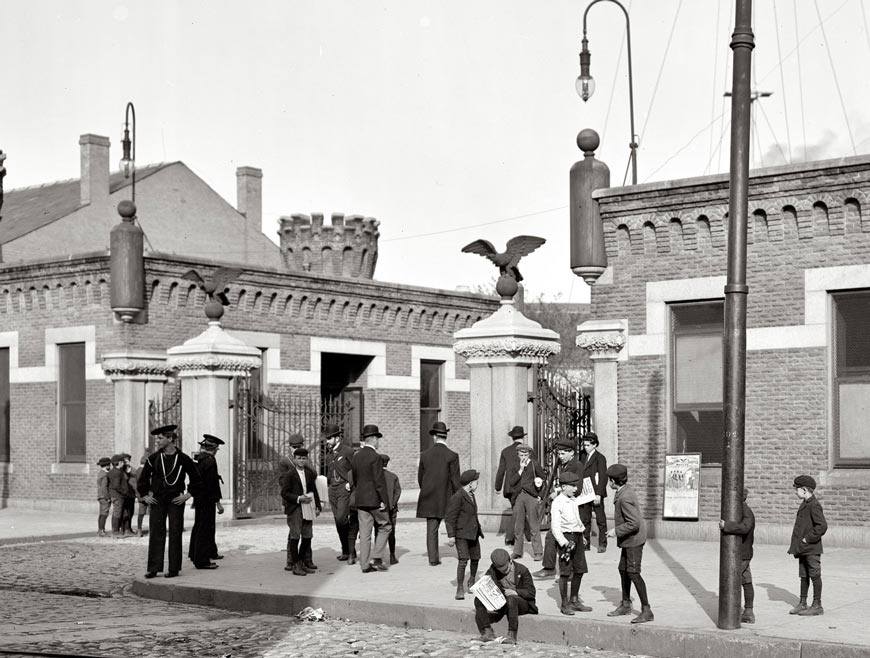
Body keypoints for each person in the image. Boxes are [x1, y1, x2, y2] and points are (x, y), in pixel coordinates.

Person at [137, 424, 202, 579]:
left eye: (160, 438)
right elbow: (142, 481)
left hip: (175, 500)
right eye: (157, 438)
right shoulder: (153, 459)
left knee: (175, 533)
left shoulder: (183, 459)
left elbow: (197, 480)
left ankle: (174, 568)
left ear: (170, 438)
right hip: (158, 500)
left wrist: (187, 495)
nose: (157, 441)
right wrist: (145, 496)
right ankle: (153, 568)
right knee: (156, 533)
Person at [605, 463, 653, 624]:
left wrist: (615, 531)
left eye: (609, 480)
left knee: (633, 572)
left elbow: (634, 523)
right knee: (623, 569)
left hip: (634, 540)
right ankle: (626, 604)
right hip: (629, 540)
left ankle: (647, 610)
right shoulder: (625, 490)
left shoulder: (624, 497)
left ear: (612, 481)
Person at [535, 438, 584, 578]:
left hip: (571, 507)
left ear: (571, 453)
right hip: (563, 505)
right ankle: (550, 567)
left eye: (563, 453)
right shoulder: (566, 464)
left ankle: (571, 571)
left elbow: (577, 489)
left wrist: (557, 492)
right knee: (552, 536)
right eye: (559, 453)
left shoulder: (577, 466)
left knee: (570, 538)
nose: (560, 457)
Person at [416, 421, 461, 566]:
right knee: (455, 525)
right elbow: (455, 480)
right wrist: (458, 496)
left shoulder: (425, 455)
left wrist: (427, 490)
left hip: (429, 498)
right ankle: (462, 554)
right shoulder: (452, 456)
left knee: (431, 530)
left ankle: (433, 559)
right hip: (447, 497)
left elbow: (420, 478)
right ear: (445, 436)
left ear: (434, 437)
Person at [473, 548, 538, 646]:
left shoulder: (522, 570)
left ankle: (512, 635)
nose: (504, 572)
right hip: (501, 601)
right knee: (478, 599)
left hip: (520, 602)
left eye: (506, 569)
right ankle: (487, 631)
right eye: (501, 571)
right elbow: (487, 582)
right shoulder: (493, 570)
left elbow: (531, 592)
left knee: (512, 599)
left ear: (510, 561)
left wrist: (516, 592)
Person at [350, 424, 392, 573]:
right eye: (378, 439)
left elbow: (354, 478)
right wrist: (384, 501)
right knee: (386, 526)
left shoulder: (356, 456)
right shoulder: (376, 457)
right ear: (373, 439)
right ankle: (377, 556)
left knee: (365, 533)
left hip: (361, 499)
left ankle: (364, 565)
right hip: (374, 499)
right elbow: (379, 482)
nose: (378, 442)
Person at [549, 471, 591, 615]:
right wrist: (564, 542)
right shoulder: (558, 502)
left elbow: (576, 518)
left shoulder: (573, 500)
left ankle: (574, 600)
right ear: (564, 487)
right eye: (572, 486)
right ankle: (564, 603)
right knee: (565, 572)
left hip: (577, 537)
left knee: (580, 569)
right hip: (567, 539)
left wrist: (582, 534)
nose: (575, 488)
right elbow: (555, 527)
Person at [788, 474, 828, 616]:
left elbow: (822, 526)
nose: (795, 492)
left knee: (815, 575)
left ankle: (817, 605)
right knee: (804, 576)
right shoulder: (805, 503)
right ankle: (803, 603)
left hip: (811, 548)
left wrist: (807, 539)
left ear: (804, 490)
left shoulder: (814, 505)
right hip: (803, 549)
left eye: (797, 489)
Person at [280, 447, 322, 576]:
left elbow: (314, 490)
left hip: (308, 507)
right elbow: (284, 493)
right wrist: (298, 498)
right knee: (295, 536)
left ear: (306, 459)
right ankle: (295, 564)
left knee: (307, 535)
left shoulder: (308, 474)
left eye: (304, 459)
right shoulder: (290, 475)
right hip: (295, 508)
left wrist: (318, 506)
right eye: (299, 458)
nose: (301, 461)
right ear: (294, 459)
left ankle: (303, 561)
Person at [188, 434, 225, 570]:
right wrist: (218, 502)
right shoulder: (210, 461)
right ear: (214, 449)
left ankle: (195, 554)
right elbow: (212, 484)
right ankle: (202, 560)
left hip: (200, 499)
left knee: (199, 526)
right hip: (207, 499)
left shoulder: (200, 460)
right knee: (204, 529)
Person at [445, 469, 484, 600]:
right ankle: (460, 587)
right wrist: (451, 535)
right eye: (476, 482)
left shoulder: (471, 495)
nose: (477, 485)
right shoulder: (457, 497)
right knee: (463, 560)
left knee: (476, 558)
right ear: (470, 484)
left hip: (473, 532)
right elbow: (450, 518)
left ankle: (471, 581)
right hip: (461, 534)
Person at [719, 486, 756, 623]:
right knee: (746, 581)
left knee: (733, 580)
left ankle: (738, 611)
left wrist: (727, 526)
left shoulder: (745, 511)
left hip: (742, 554)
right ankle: (748, 611)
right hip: (743, 554)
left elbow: (745, 527)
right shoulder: (741, 510)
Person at [494, 426, 535, 546]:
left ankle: (526, 536)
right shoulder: (529, 451)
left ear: (512, 437)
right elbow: (534, 469)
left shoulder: (505, 451)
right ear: (523, 437)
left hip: (510, 487)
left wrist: (498, 487)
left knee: (518, 510)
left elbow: (501, 470)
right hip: (524, 487)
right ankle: (511, 537)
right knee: (518, 511)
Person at [507, 444, 545, 561]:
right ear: (518, 454)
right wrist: (520, 470)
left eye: (525, 454)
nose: (523, 457)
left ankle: (538, 551)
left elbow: (542, 479)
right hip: (519, 496)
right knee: (518, 526)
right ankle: (517, 551)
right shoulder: (515, 465)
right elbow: (512, 482)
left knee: (534, 525)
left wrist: (540, 496)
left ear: (529, 454)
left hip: (531, 496)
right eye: (521, 454)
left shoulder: (535, 464)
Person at [323, 424, 355, 562]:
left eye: (330, 438)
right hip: (333, 490)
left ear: (337, 438)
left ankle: (350, 549)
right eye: (327, 438)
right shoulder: (329, 455)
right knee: (338, 521)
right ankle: (346, 551)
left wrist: (350, 483)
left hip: (344, 488)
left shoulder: (347, 451)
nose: (327, 441)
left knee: (342, 519)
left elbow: (356, 468)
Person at [579, 432, 609, 553]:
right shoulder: (582, 456)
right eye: (584, 445)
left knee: (600, 519)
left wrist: (599, 494)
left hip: (595, 492)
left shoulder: (600, 458)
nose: (585, 447)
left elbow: (603, 477)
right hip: (585, 492)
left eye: (588, 445)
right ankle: (585, 543)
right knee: (585, 518)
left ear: (594, 445)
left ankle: (602, 543)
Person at [378, 454, 402, 565]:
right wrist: (392, 503)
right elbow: (397, 491)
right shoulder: (393, 476)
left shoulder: (375, 476)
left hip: (378, 508)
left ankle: (378, 556)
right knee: (391, 533)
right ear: (387, 463)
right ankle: (392, 555)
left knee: (378, 532)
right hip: (391, 508)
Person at [107, 454, 129, 538]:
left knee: (119, 512)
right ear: (119, 462)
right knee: (117, 512)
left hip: (115, 495)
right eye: (122, 462)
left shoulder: (113, 471)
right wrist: (124, 492)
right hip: (118, 495)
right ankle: (115, 531)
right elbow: (117, 485)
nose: (123, 463)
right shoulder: (117, 472)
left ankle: (117, 530)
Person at [133, 455, 150, 537]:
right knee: (151, 513)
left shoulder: (137, 470)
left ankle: (139, 530)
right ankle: (149, 530)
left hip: (142, 495)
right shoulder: (144, 471)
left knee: (141, 513)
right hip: (147, 494)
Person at [121, 453, 136, 536]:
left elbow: (136, 482)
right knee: (124, 512)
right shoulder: (120, 471)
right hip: (124, 494)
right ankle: (123, 529)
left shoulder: (133, 470)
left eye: (128, 461)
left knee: (131, 512)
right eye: (125, 461)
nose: (126, 463)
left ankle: (129, 528)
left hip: (132, 494)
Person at [96, 457, 111, 537]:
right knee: (104, 514)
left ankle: (100, 530)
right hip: (104, 496)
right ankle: (101, 530)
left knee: (101, 513)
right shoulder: (105, 475)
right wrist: (107, 497)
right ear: (107, 465)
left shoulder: (100, 473)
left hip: (100, 496)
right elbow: (104, 487)